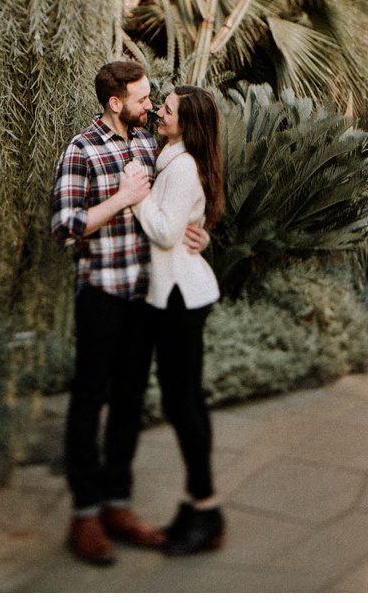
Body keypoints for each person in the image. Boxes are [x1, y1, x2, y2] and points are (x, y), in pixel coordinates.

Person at [49, 60, 209, 567]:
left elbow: (172, 208)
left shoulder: (147, 145)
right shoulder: (82, 149)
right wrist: (121, 198)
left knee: (129, 401)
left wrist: (199, 235)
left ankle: (117, 504)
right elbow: (64, 225)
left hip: (146, 297)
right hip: (101, 294)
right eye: (141, 98)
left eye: (149, 98)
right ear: (115, 102)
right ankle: (85, 514)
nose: (149, 104)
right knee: (89, 399)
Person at [136, 84, 227, 556]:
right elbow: (187, 226)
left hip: (180, 298)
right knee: (184, 400)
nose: (158, 112)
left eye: (167, 110)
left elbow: (166, 232)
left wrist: (134, 195)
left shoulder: (183, 166)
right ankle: (199, 505)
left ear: (186, 122)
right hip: (178, 292)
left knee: (183, 403)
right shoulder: (173, 156)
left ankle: (206, 509)